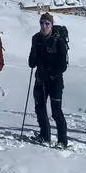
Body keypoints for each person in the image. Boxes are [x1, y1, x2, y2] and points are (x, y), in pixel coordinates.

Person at [28, 12, 68, 148]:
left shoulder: (59, 40)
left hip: (55, 82)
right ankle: (45, 136)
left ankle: (62, 141)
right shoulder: (36, 39)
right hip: (40, 80)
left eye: (47, 23)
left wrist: (50, 73)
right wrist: (34, 53)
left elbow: (63, 65)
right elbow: (31, 63)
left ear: (52, 25)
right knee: (40, 110)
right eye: (42, 23)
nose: (44, 26)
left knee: (56, 111)